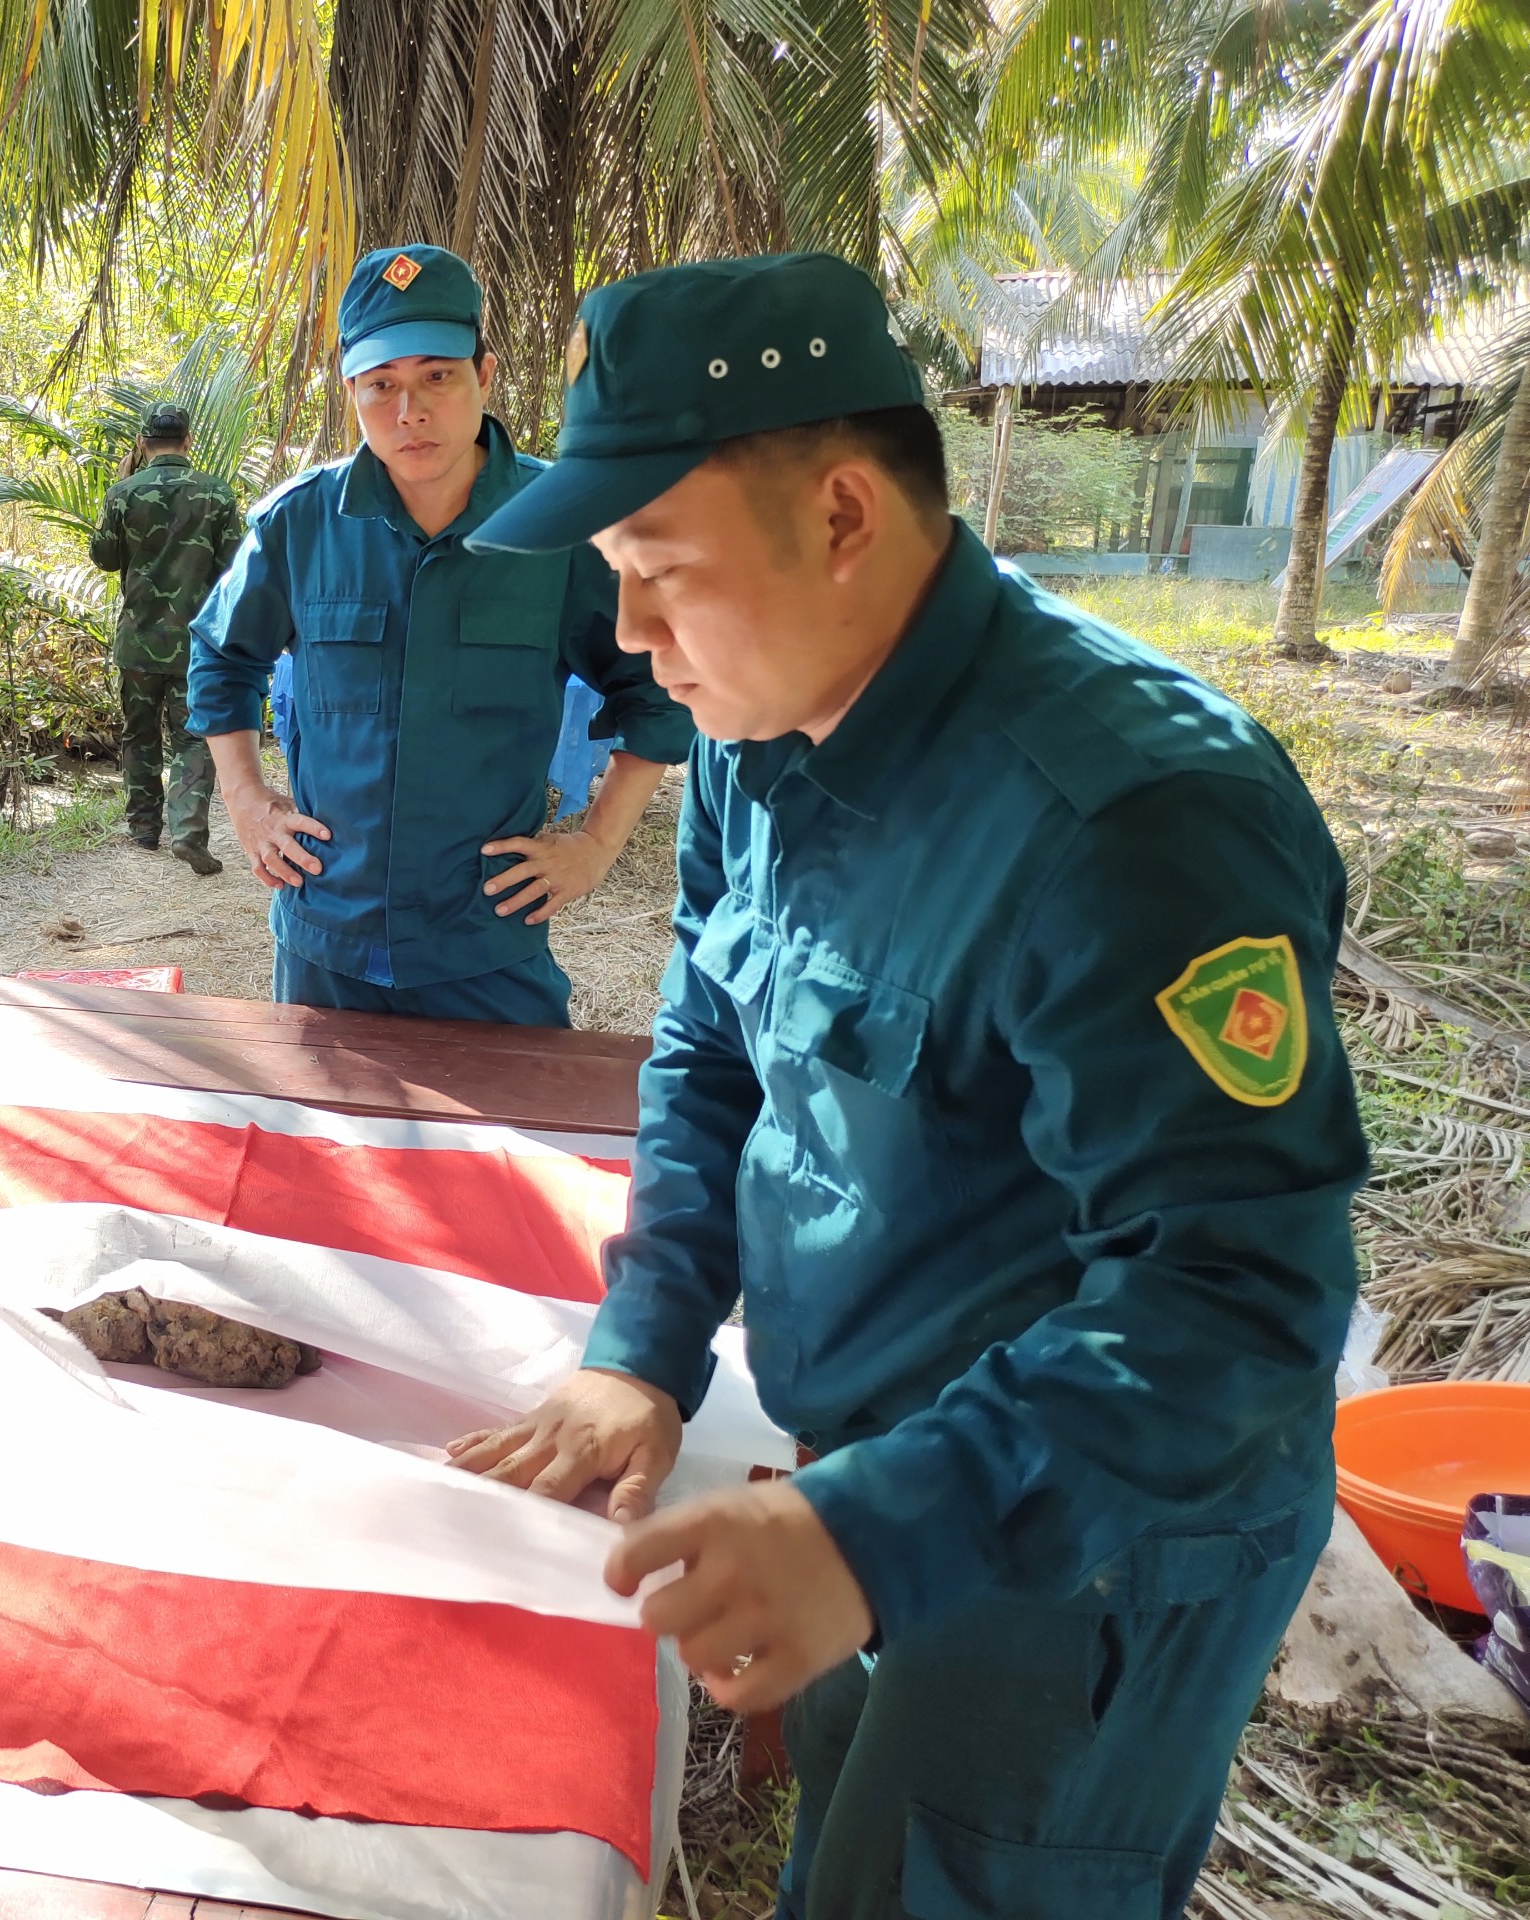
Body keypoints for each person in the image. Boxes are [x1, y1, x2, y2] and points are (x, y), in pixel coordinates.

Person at [450, 254, 1366, 1918]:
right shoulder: (757, 726)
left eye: (662, 575)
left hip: (1093, 1529)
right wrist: (643, 1349)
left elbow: (1236, 1298)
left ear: (847, 518)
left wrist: (880, 1532)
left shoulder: (1133, 822)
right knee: (855, 1856)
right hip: (873, 1462)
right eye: (615, 582)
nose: (638, 648)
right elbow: (711, 1045)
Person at [189, 245, 693, 1027]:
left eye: (437, 377)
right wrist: (248, 800)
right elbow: (222, 656)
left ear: (484, 375)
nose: (409, 411)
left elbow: (655, 687)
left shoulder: (560, 528)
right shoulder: (299, 524)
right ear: (351, 390)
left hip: (485, 946)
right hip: (327, 942)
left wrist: (595, 846)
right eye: (381, 385)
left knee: (506, 1146)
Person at [90, 402, 241, 876]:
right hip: (196, 643)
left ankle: (143, 827)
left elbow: (104, 558)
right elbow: (237, 565)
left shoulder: (123, 492)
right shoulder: (216, 494)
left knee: (139, 731)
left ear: (142, 442)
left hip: (137, 639)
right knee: (195, 736)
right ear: (188, 440)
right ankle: (188, 831)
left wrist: (125, 494)